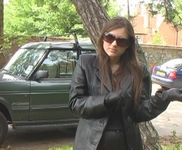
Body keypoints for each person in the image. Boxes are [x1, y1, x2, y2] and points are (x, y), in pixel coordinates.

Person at [68, 16, 182, 150]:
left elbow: (140, 112)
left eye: (121, 41)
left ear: (128, 45)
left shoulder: (139, 71)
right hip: (92, 144)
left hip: (127, 144)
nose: (114, 44)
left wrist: (166, 97)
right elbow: (75, 104)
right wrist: (106, 100)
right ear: (103, 37)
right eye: (109, 37)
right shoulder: (85, 63)